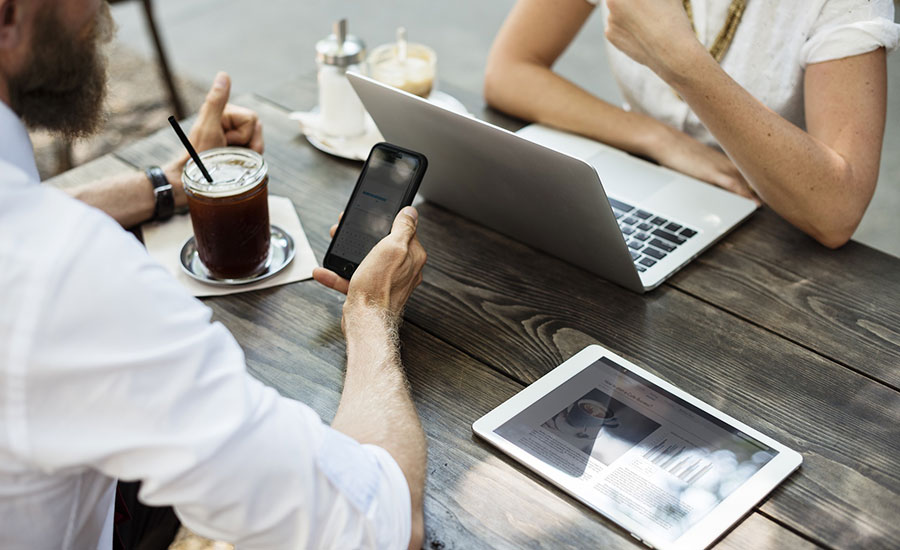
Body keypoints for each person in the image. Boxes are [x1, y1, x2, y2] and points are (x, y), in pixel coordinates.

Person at [0, 1, 427, 549]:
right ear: (8, 16)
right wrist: (372, 313)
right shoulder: (68, 275)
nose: (103, 11)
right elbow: (381, 524)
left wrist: (164, 185)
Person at [485, 0, 900, 248]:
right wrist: (660, 139)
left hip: (769, 216)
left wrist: (680, 61)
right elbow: (509, 71)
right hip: (638, 184)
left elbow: (836, 211)